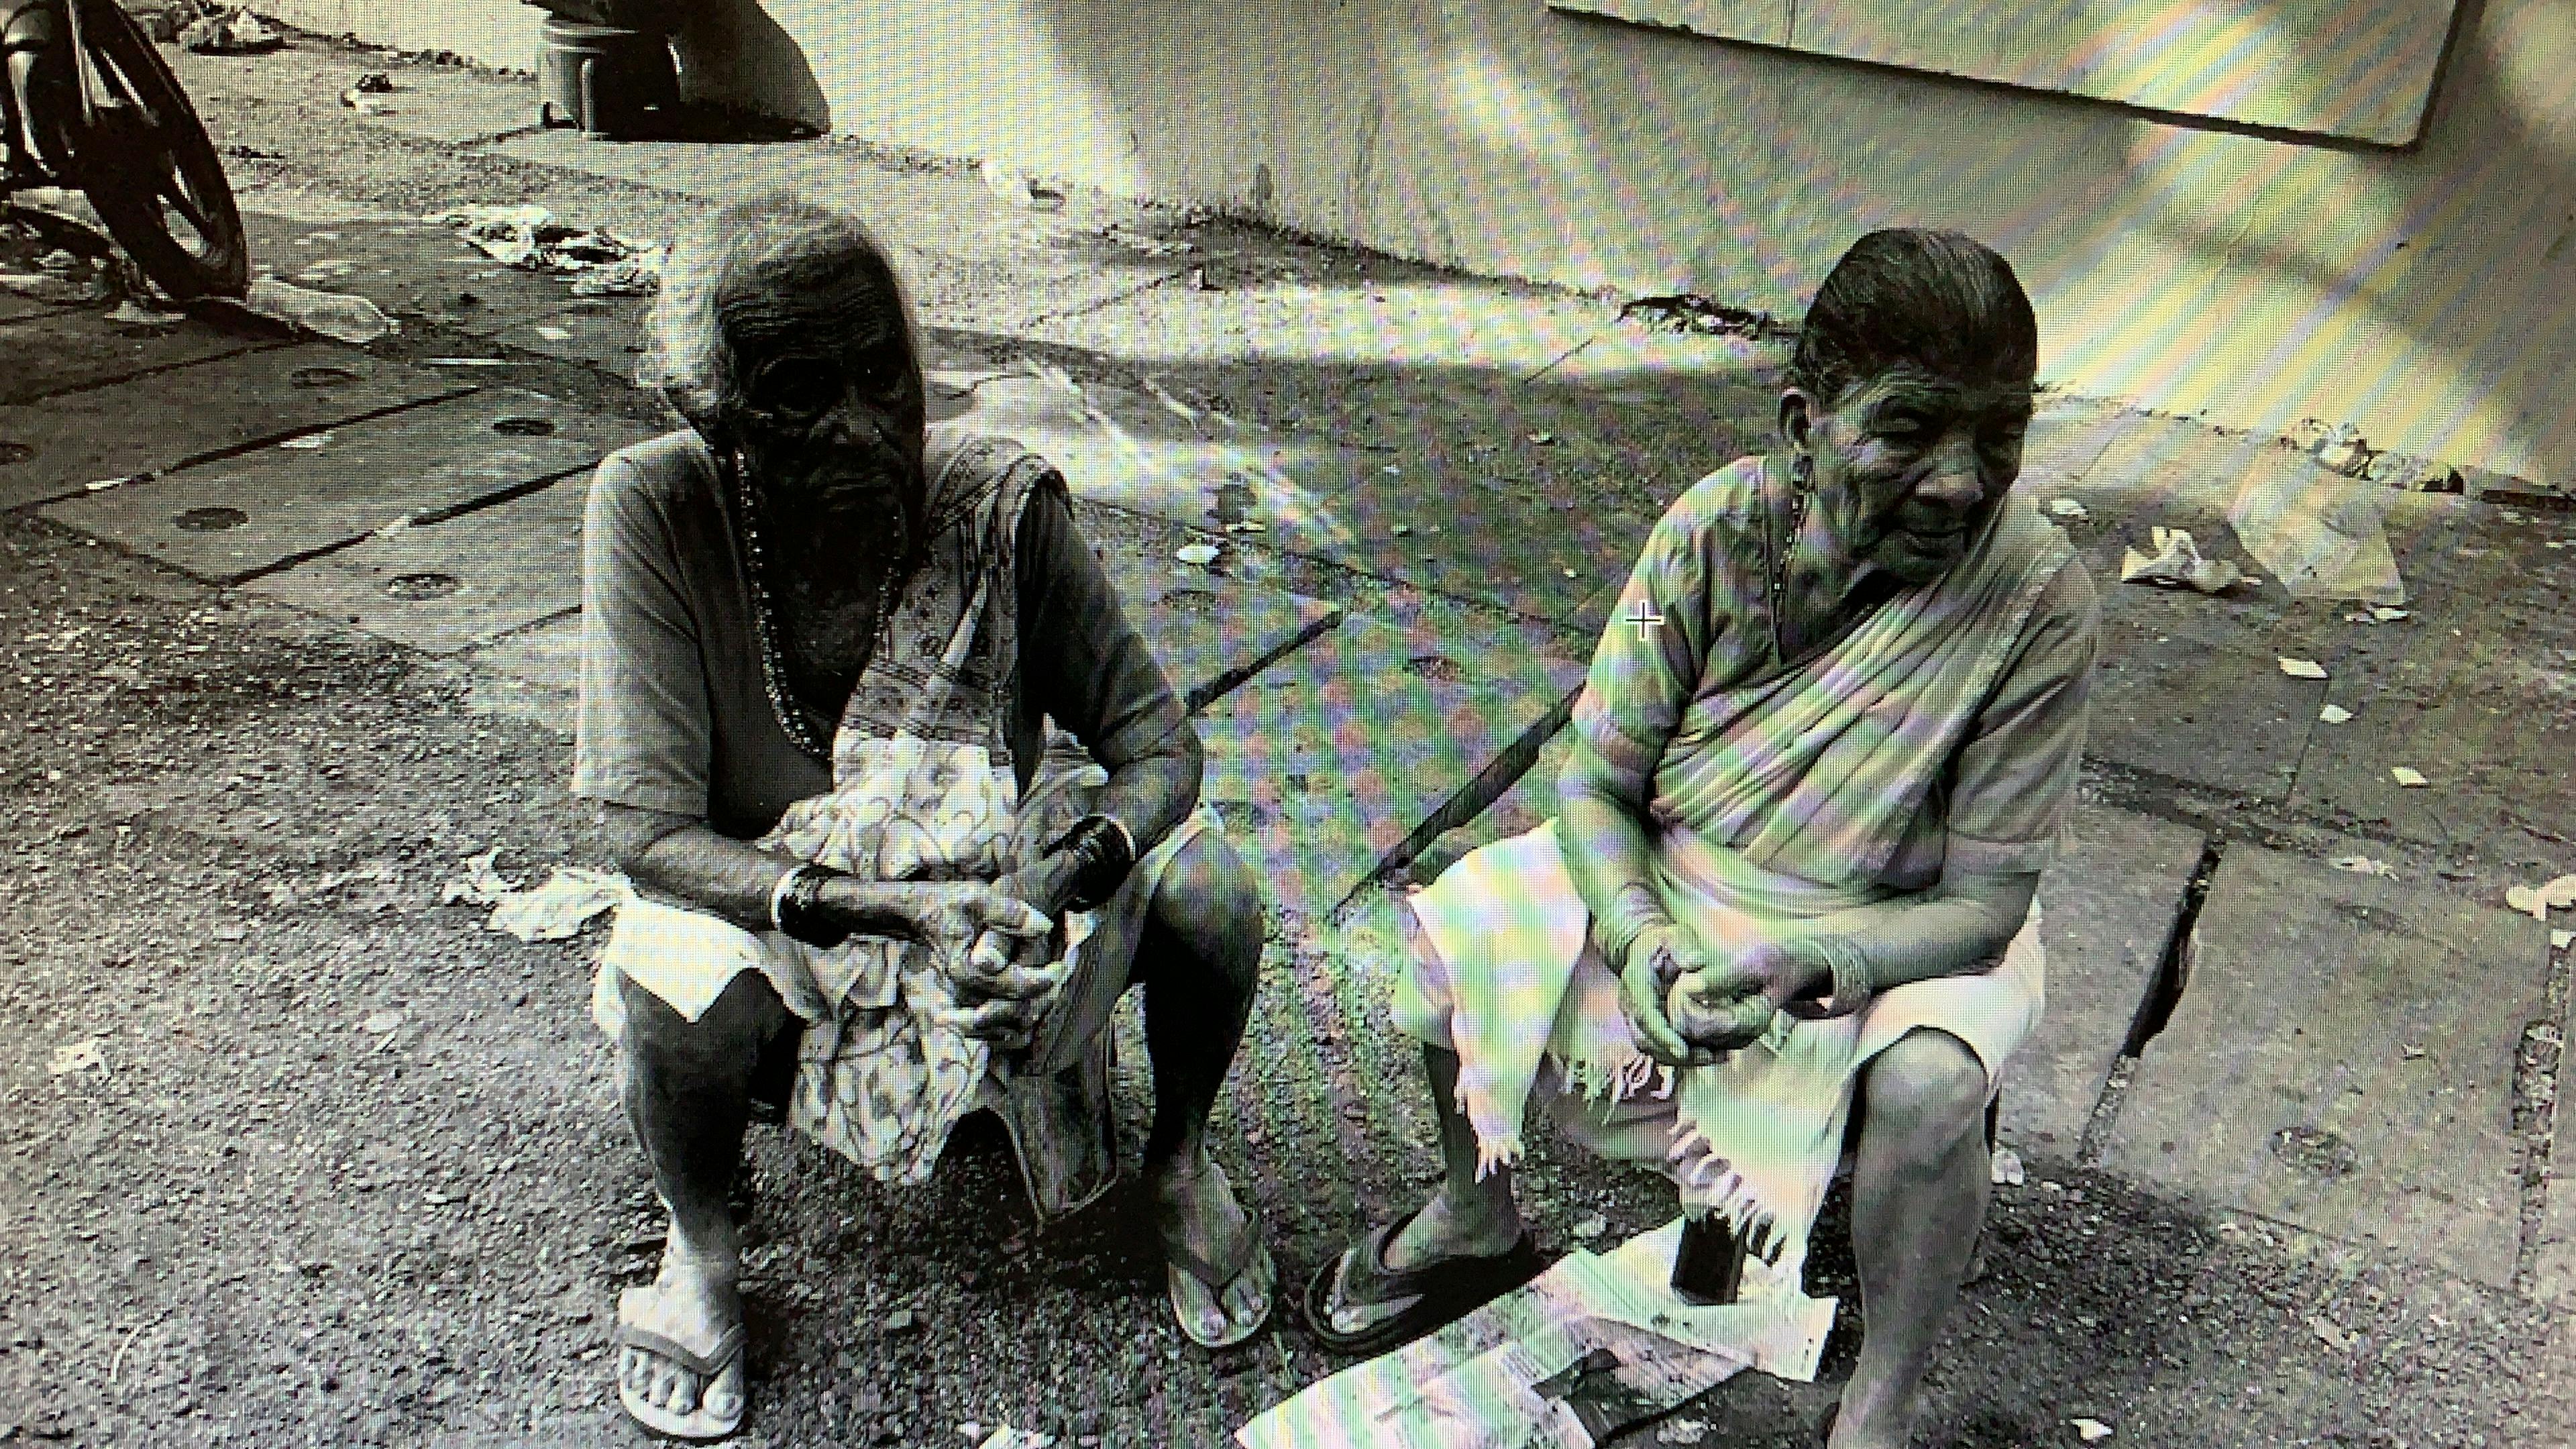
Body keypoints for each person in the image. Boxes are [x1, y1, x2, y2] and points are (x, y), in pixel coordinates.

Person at [1308, 229, 2098, 1449]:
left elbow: (1986, 908)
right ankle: (1477, 1213)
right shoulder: (1716, 534)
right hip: (1684, 877)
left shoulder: (2036, 600)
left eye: (1999, 436)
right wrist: (1637, 939)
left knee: (1932, 1087)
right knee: (1465, 924)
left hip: (1900, 923)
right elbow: (1596, 787)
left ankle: (1883, 1396)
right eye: (1907, 433)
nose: (1959, 481)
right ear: (1803, 423)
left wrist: (1821, 965)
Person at [576, 195, 1275, 1440]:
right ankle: (701, 1248)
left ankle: (1178, 1162)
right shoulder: (654, 508)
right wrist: (889, 910)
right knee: (666, 978)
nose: (863, 425)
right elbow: (642, 829)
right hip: (794, 926)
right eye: (799, 391)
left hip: (1000, 911)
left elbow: (1159, 748)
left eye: (882, 374)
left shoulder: (994, 510)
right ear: (716, 414)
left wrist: (1057, 892)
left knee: (1213, 893)